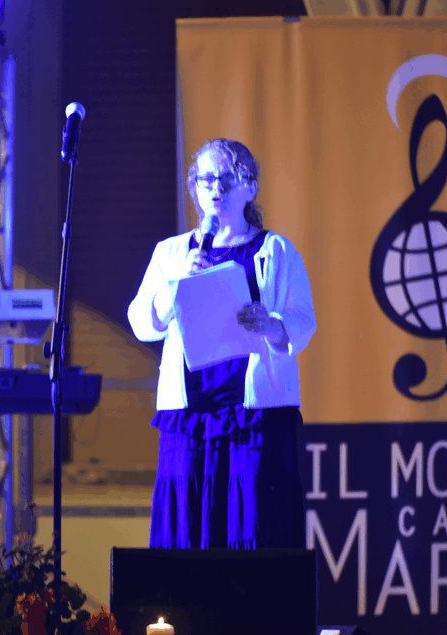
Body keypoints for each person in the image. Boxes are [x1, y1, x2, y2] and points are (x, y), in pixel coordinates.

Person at [127, 138, 316, 549]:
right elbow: (141, 322)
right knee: (186, 537)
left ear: (250, 188)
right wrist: (174, 287)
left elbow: (303, 321)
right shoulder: (172, 253)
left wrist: (271, 324)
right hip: (189, 416)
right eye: (206, 179)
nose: (216, 188)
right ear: (195, 190)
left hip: (255, 416)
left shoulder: (277, 250)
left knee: (254, 533)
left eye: (227, 179)